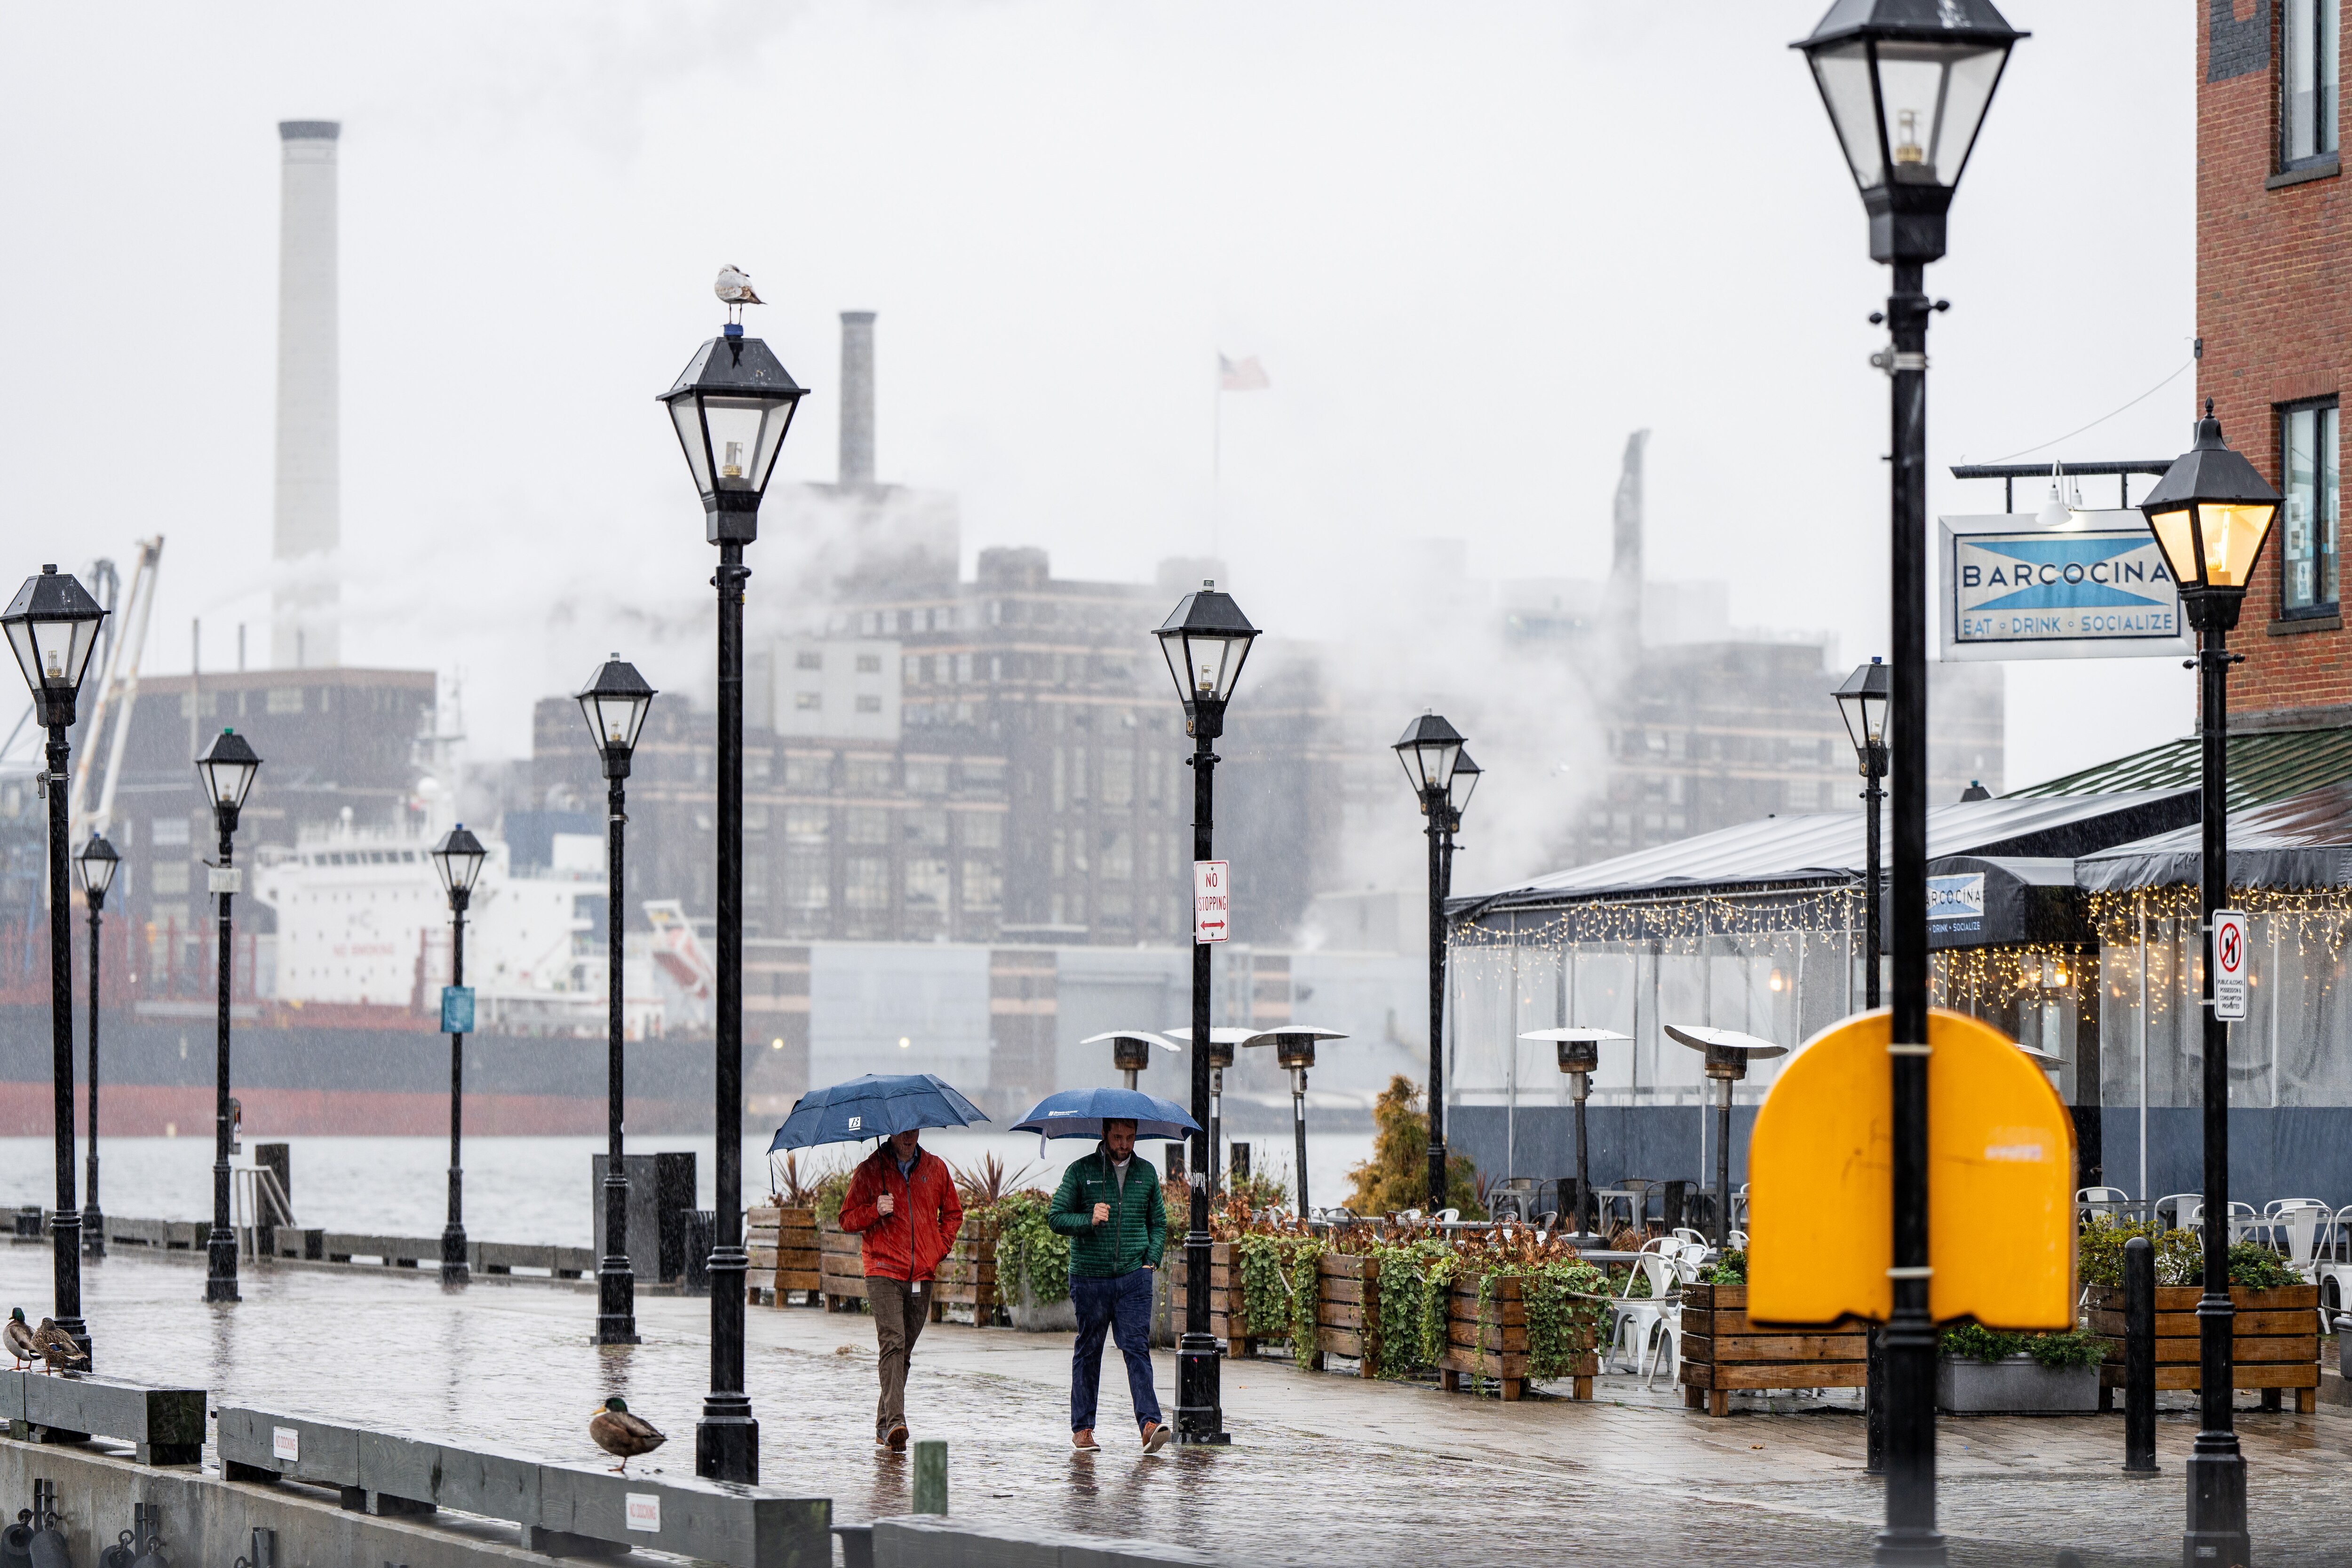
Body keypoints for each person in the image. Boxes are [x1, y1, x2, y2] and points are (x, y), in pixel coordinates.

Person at [1049, 1117, 1170, 1452]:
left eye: (1130, 1137)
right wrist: (1088, 1219)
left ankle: (1149, 1424)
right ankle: (1083, 1429)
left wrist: (1151, 1262)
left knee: (1136, 1348)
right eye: (1118, 1137)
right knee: (1090, 1350)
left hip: (1134, 1277)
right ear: (1104, 1134)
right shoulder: (1080, 1171)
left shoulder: (1146, 1174)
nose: (1124, 1144)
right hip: (1090, 1277)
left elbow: (1158, 1223)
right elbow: (1056, 1218)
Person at [839, 1126, 964, 1451]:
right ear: (890, 1132)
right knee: (893, 1341)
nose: (909, 1138)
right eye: (902, 1132)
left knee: (903, 1349)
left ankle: (884, 1426)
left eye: (914, 1130)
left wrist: (938, 1248)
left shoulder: (936, 1169)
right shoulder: (870, 1170)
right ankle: (896, 1421)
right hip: (882, 1270)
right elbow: (847, 1219)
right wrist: (873, 1210)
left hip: (922, 1273)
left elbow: (953, 1213)